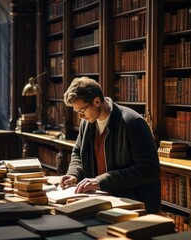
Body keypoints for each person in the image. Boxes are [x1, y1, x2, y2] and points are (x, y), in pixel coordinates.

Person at [59, 76, 161, 214]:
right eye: (77, 112)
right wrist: (74, 174)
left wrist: (100, 181)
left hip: (133, 205)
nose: (80, 117)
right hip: (101, 201)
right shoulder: (87, 123)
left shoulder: (132, 123)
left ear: (96, 101)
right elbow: (78, 151)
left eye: (81, 111)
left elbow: (150, 169)